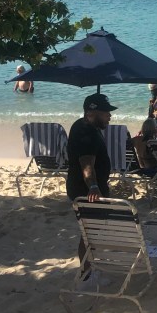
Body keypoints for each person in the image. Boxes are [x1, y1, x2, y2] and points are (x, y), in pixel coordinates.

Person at [67, 93, 116, 281]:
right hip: (86, 191)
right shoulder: (86, 131)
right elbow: (86, 162)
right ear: (92, 112)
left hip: (81, 189)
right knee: (89, 233)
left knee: (89, 232)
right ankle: (87, 274)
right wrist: (94, 186)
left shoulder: (82, 126)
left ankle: (88, 270)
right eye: (105, 113)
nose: (109, 116)